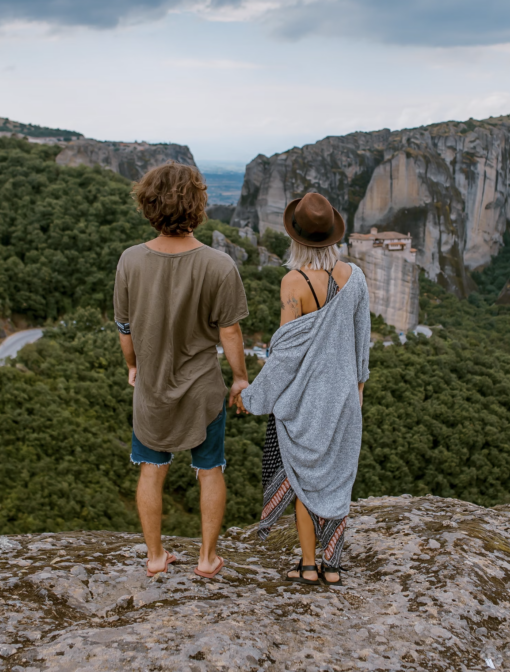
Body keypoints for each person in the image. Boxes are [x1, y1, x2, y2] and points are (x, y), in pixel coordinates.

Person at [114, 162, 249, 579]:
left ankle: (155, 557)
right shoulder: (219, 265)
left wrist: (133, 366)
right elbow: (229, 332)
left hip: (151, 388)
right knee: (210, 471)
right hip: (202, 390)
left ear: (148, 204)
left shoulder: (130, 261)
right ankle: (207, 560)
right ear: (198, 204)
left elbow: (125, 329)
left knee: (151, 471)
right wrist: (241, 377)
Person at [238, 192, 370, 586]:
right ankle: (333, 566)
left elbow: (284, 356)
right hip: (345, 398)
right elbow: (362, 345)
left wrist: (252, 397)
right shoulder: (356, 278)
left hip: (304, 401)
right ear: (333, 235)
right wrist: (357, 394)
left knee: (302, 481)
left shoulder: (293, 282)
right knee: (336, 478)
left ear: (296, 237)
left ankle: (309, 565)